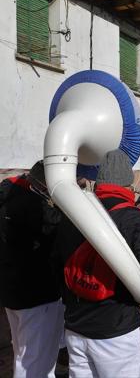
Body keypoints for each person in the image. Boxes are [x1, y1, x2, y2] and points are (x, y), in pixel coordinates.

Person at [56, 149, 140, 377]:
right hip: (115, 328)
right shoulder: (132, 216)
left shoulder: (74, 210)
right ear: (127, 183)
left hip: (76, 327)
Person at [0, 161, 64, 378]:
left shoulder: (9, 195)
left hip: (13, 291)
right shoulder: (34, 205)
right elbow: (56, 231)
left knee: (23, 354)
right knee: (36, 359)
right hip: (37, 294)